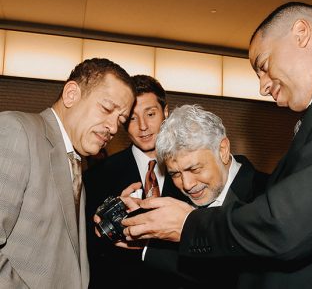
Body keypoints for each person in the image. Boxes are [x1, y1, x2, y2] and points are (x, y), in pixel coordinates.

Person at [120, 1, 312, 289]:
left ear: (301, 33)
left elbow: (287, 223)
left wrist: (189, 225)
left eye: (263, 65)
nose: (262, 86)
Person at [0, 58, 135, 288]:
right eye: (107, 109)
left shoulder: (75, 162)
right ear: (71, 94)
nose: (113, 127)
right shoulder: (16, 131)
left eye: (120, 120)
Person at [119, 104, 269, 288]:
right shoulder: (176, 201)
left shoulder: (268, 195)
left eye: (195, 169)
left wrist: (150, 249)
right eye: (175, 174)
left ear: (222, 150)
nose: (187, 185)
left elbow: (238, 275)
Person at [83, 75, 189, 289]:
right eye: (132, 118)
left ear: (165, 113)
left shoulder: (191, 168)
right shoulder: (99, 175)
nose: (143, 126)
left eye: (150, 114)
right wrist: (111, 221)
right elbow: (85, 247)